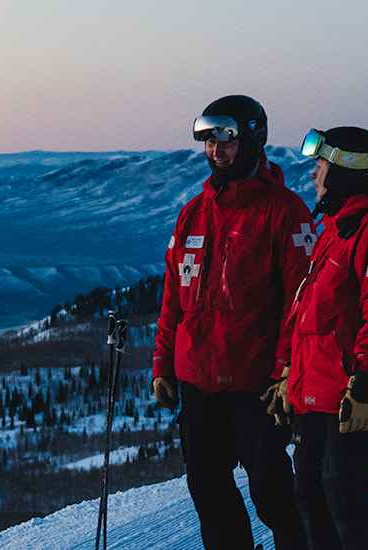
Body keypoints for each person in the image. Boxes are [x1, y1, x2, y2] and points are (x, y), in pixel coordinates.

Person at [151, 95, 317, 550]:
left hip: (255, 383)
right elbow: (173, 299)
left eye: (225, 138)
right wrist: (163, 363)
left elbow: (300, 304)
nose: (214, 150)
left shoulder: (284, 211)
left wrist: (285, 370)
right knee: (208, 492)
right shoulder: (193, 213)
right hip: (198, 381)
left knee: (274, 495)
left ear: (252, 139)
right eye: (207, 139)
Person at [279, 126, 368, 550]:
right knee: (310, 498)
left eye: (320, 167)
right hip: (314, 391)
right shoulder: (335, 228)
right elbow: (309, 314)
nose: (313, 176)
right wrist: (289, 378)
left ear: (346, 172)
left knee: (345, 499)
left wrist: (365, 384)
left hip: (348, 395)